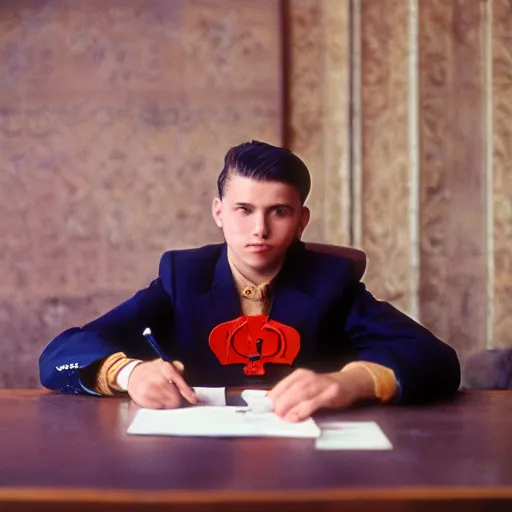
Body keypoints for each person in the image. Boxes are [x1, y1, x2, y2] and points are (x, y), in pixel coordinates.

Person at [39, 140, 461, 422]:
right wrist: (129, 374)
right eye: (243, 210)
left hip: (305, 456)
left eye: (278, 211)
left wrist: (347, 383)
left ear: (301, 221)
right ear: (219, 213)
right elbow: (59, 354)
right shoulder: (181, 276)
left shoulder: (330, 281)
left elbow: (437, 361)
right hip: (194, 460)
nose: (259, 229)